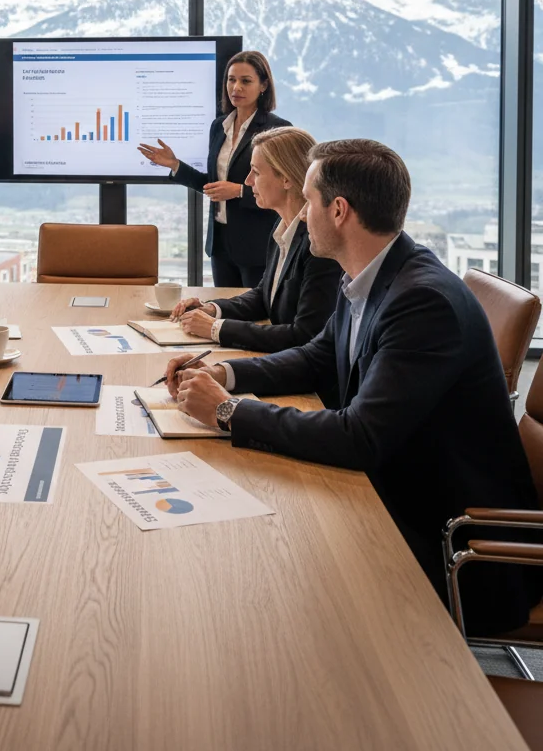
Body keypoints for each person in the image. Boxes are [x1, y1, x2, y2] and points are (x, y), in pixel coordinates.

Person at [165, 138, 541, 636]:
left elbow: (360, 437)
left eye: (308, 197)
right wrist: (226, 375)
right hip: (392, 497)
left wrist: (229, 411)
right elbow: (318, 356)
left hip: (448, 544)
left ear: (338, 210)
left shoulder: (421, 302)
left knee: (261, 587)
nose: (301, 211)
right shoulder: (374, 273)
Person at [169, 127, 341, 354]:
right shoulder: (280, 229)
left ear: (286, 179)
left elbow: (304, 335)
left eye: (255, 172)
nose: (248, 181)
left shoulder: (318, 245)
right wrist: (212, 309)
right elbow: (264, 296)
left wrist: (216, 329)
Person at [138, 51, 291, 286]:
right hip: (220, 246)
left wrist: (239, 191)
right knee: (224, 313)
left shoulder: (277, 129)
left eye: (245, 81)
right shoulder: (220, 126)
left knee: (257, 317)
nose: (236, 87)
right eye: (231, 80)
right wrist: (175, 165)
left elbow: (284, 191)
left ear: (263, 86)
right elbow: (213, 185)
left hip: (257, 247)